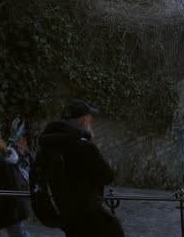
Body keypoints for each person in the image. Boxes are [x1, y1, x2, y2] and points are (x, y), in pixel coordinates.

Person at [38, 99, 124, 237]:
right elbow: (108, 176)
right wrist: (91, 144)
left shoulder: (48, 145)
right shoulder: (84, 146)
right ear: (84, 121)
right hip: (89, 215)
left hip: (66, 213)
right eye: (90, 121)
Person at [0, 136, 31, 237]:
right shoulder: (4, 156)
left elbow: (12, 184)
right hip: (10, 203)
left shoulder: (1, 159)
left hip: (10, 204)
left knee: (18, 233)